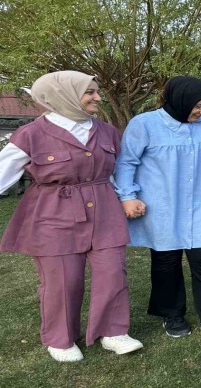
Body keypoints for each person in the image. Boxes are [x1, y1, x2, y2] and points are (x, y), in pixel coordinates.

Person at [0, 71, 142, 362]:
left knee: (113, 272)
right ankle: (60, 338)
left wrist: (128, 196)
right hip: (54, 213)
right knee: (63, 280)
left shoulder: (106, 131)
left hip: (105, 210)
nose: (98, 98)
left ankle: (113, 332)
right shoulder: (31, 134)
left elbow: (119, 171)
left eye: (96, 91)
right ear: (63, 95)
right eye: (90, 92)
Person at [115, 76, 201, 337]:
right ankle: (172, 315)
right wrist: (127, 195)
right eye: (199, 106)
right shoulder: (144, 124)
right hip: (162, 204)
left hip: (200, 201)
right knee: (166, 261)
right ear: (180, 100)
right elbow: (126, 163)